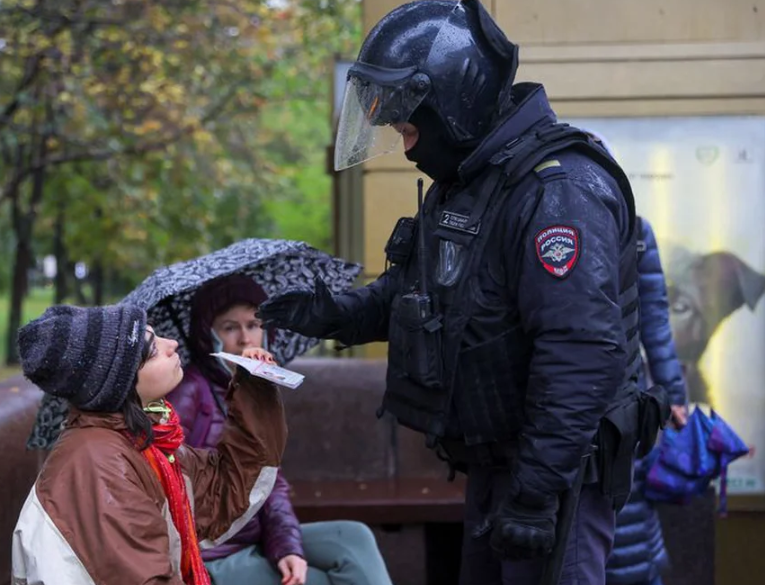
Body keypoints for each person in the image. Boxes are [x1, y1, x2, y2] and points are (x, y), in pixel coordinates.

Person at [259, 2, 668, 584]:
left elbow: (582, 351)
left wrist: (535, 491)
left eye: (409, 128)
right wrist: (335, 315)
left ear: (451, 103)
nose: (406, 148)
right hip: (498, 459)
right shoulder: (472, 184)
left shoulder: (558, 189)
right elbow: (415, 294)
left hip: (559, 472)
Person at [11, 303, 286, 585]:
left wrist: (255, 386)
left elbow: (224, 492)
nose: (173, 344)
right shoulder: (101, 465)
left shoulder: (143, 440)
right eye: (152, 350)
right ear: (119, 383)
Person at [169, 273, 393, 585]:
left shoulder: (258, 388)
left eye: (253, 324)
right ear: (207, 335)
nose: (245, 339)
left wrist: (287, 547)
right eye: (230, 327)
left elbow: (269, 483)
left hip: (254, 536)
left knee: (353, 537)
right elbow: (171, 475)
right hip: (215, 553)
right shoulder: (189, 391)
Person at [582, 131, 688, 585]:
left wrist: (673, 392)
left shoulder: (561, 228)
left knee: (618, 517)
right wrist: (672, 392)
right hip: (629, 395)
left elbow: (656, 321)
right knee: (630, 513)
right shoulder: (636, 230)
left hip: (592, 396)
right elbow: (656, 322)